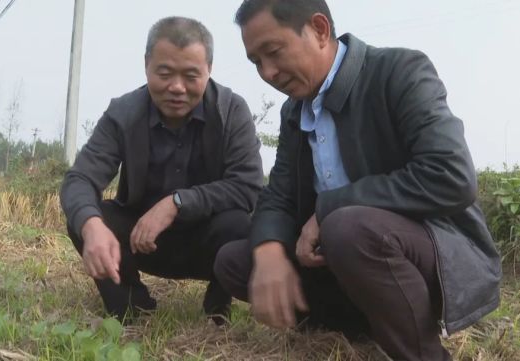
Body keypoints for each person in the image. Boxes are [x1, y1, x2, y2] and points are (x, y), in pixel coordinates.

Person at [214, 0, 501, 359]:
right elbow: (279, 195)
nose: (268, 72)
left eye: (273, 52)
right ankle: (362, 330)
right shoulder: (294, 111)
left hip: (430, 254)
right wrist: (269, 249)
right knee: (237, 260)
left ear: (319, 30)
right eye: (256, 62)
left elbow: (451, 175)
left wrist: (328, 209)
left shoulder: (399, 71)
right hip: (348, 255)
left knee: (347, 227)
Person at [60, 16, 263, 325]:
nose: (177, 88)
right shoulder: (123, 113)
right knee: (87, 216)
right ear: (147, 66)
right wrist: (91, 226)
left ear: (209, 70)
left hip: (209, 242)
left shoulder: (232, 110)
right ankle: (132, 308)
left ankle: (217, 307)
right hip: (142, 239)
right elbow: (80, 179)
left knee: (238, 223)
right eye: (165, 73)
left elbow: (247, 187)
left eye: (191, 75)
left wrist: (177, 203)